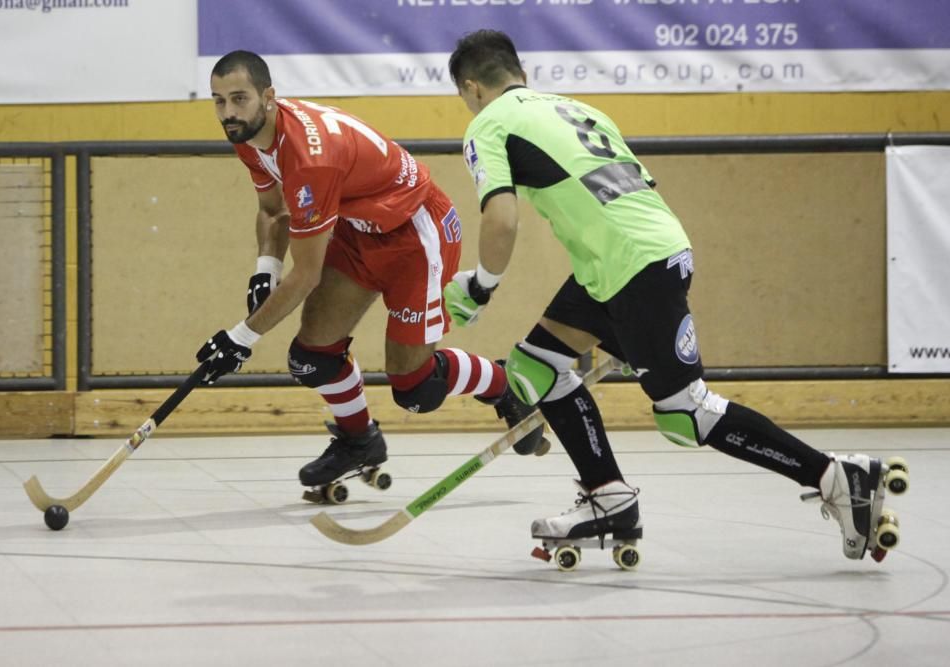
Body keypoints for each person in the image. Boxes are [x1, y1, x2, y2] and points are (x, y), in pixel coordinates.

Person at [443, 30, 909, 561]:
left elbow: (501, 217)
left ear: (472, 86)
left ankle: (835, 476)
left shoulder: (488, 123)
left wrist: (480, 286)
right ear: (520, 72)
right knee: (538, 364)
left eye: (465, 96)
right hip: (635, 255)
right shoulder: (577, 109)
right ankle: (608, 498)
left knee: (686, 414)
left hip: (629, 265)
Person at [196, 50, 548, 501]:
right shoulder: (250, 135)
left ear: (268, 97)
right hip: (361, 231)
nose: (228, 112)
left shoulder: (309, 158)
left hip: (416, 237)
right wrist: (266, 267)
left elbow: (305, 276)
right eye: (218, 101)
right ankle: (360, 441)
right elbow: (272, 210)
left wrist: (240, 338)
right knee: (312, 358)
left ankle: (504, 386)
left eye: (238, 99)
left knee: (416, 390)